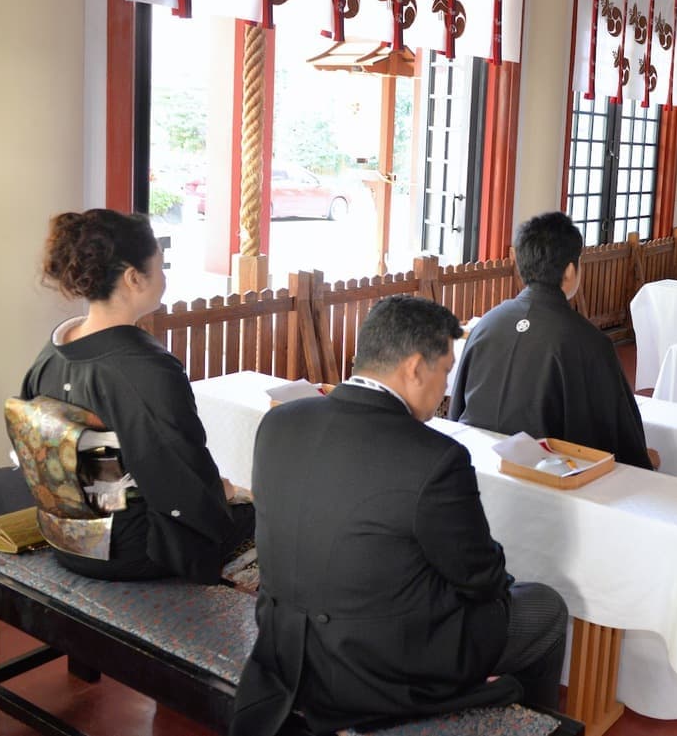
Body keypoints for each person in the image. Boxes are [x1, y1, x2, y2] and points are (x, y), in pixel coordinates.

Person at [230, 296, 568, 736]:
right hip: (376, 669)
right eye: (445, 370)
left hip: (283, 644)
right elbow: (480, 577)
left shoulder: (281, 422)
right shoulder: (435, 456)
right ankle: (532, 727)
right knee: (544, 606)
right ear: (414, 368)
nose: (446, 388)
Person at [21, 209, 251, 582]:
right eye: (160, 267)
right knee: (258, 515)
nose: (164, 278)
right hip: (128, 548)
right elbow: (179, 481)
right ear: (133, 278)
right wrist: (221, 495)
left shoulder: (53, 352)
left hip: (63, 536)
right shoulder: (145, 369)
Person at [450, 211, 654, 469]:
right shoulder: (589, 341)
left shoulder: (486, 324)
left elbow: (458, 409)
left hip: (477, 465)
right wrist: (644, 461)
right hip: (549, 479)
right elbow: (618, 431)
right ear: (570, 270)